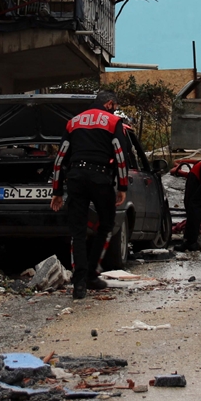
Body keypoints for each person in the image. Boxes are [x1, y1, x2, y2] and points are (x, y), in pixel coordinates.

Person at [49, 90, 129, 299]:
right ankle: (92, 273)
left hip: (76, 177)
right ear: (110, 104)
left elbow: (60, 158)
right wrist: (122, 186)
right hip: (101, 179)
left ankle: (79, 283)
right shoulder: (113, 122)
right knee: (106, 225)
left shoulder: (73, 122)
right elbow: (120, 156)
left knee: (78, 231)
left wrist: (57, 190)